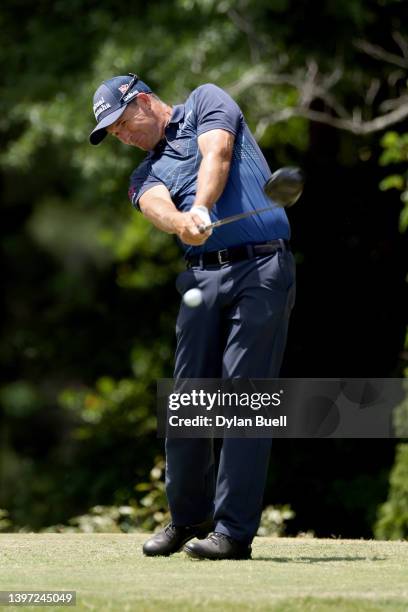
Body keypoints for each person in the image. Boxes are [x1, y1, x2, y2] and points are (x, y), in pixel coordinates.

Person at [89, 73, 296, 560]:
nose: (121, 136)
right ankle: (188, 518)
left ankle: (233, 532)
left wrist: (201, 205)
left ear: (143, 101)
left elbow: (216, 154)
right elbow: (156, 206)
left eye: (121, 124)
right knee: (188, 401)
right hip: (201, 279)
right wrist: (184, 222)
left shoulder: (206, 100)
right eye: (113, 134)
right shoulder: (144, 174)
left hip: (262, 268)